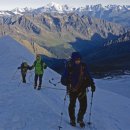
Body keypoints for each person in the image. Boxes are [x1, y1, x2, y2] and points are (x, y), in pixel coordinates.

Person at [61, 52, 96, 127]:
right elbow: (63, 79)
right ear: (73, 59)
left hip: (82, 89)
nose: (78, 61)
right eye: (76, 60)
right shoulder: (69, 66)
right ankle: (72, 120)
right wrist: (67, 82)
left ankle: (80, 119)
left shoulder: (83, 66)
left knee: (84, 105)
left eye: (79, 59)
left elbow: (88, 75)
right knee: (72, 105)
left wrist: (92, 84)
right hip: (72, 89)